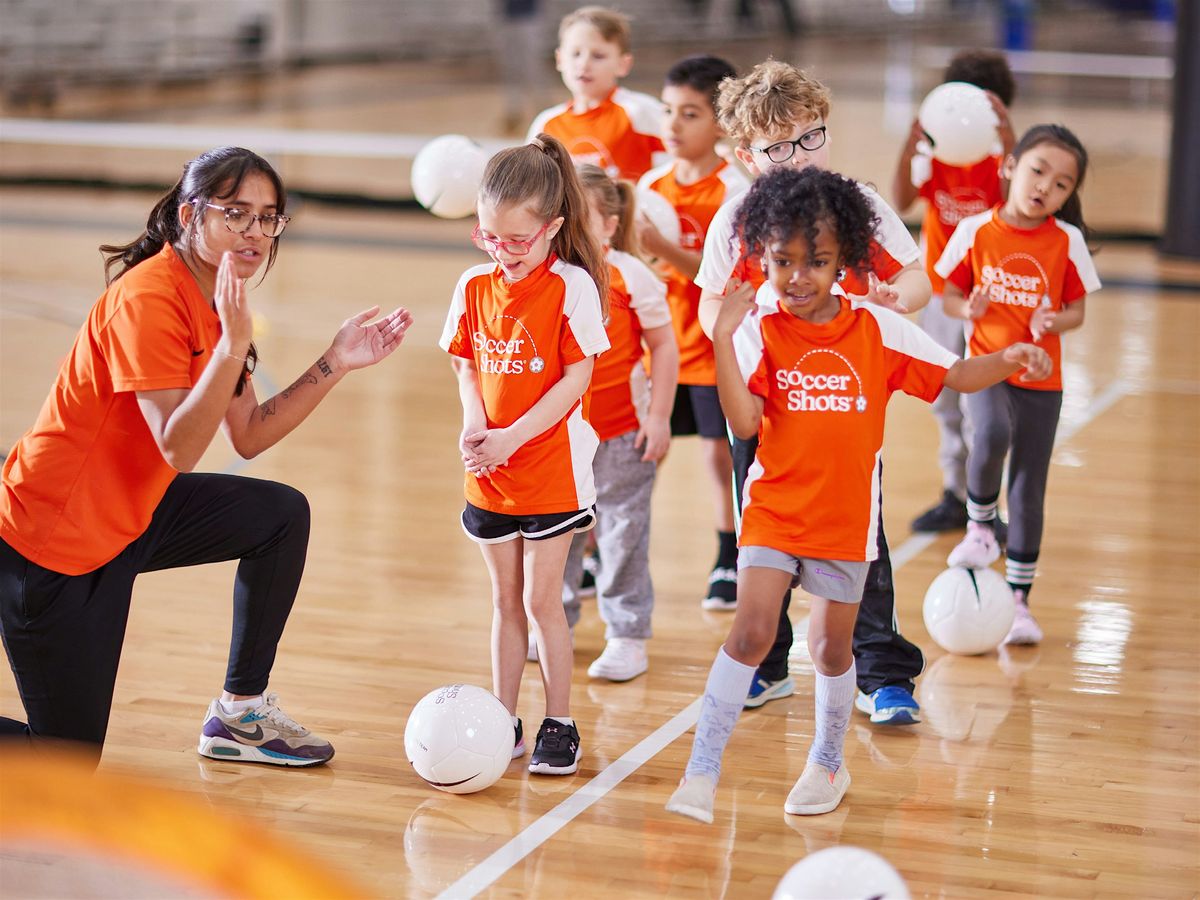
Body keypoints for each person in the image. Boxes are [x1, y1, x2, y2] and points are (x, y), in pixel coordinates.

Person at [0, 146, 412, 766]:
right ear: (191, 215)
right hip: (54, 541)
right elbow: (179, 446)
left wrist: (335, 363)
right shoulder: (150, 299)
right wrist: (233, 347)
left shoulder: (217, 299)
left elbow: (246, 433)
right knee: (62, 766)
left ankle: (241, 715)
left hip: (129, 516)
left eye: (269, 217)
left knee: (279, 515)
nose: (255, 233)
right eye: (236, 213)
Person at [665, 166, 1052, 823]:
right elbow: (746, 424)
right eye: (782, 261)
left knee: (829, 651)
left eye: (817, 261)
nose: (798, 276)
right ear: (761, 257)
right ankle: (700, 773)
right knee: (752, 631)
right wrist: (723, 340)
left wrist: (1010, 356)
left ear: (844, 259)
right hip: (774, 510)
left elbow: (955, 375)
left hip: (845, 522)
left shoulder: (878, 329)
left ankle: (827, 761)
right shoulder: (757, 329)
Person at [694, 59, 933, 725]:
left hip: (844, 398)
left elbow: (916, 279)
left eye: (811, 137)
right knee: (760, 535)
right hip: (767, 402)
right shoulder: (736, 220)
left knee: (862, 538)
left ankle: (881, 670)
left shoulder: (856, 204)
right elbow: (714, 302)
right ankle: (768, 666)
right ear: (745, 156)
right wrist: (732, 325)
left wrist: (894, 300)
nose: (799, 155)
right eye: (777, 147)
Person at [439, 134, 610, 775]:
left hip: (551, 474)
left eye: (518, 240)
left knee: (545, 604)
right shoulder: (473, 284)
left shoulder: (572, 288)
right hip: (490, 474)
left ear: (552, 228)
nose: (503, 252)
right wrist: (477, 427)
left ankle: (558, 720)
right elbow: (466, 367)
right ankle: (500, 718)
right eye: (489, 237)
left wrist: (513, 438)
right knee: (503, 603)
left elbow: (576, 379)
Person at [938, 124, 1100, 645]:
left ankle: (1018, 604)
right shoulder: (976, 232)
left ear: (1070, 194)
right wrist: (970, 308)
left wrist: (1057, 322)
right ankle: (981, 529)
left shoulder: (1067, 241)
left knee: (1029, 489)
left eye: (1061, 184)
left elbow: (1077, 309)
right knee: (988, 436)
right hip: (987, 367)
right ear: (1010, 167)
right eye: (1037, 171)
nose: (1044, 188)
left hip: (1042, 379)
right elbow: (948, 297)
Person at [555, 164, 678, 682]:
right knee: (554, 533)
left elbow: (663, 346)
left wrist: (659, 416)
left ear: (608, 224)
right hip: (555, 437)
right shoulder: (547, 275)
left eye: (580, 219)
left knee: (623, 533)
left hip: (622, 434)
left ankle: (627, 634)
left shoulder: (630, 274)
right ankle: (553, 621)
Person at [637, 55, 751, 612]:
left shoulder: (734, 190)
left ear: (722, 123)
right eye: (667, 111)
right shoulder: (649, 186)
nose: (673, 125)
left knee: (716, 455)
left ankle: (728, 555)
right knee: (642, 453)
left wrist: (661, 249)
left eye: (690, 113)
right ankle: (608, 550)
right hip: (657, 351)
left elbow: (721, 279)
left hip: (710, 352)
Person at [894, 49, 1018, 534]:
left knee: (984, 406)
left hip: (991, 300)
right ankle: (953, 491)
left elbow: (1014, 206)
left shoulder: (1002, 161)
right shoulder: (935, 159)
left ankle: (987, 507)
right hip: (942, 294)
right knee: (945, 397)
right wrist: (910, 142)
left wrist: (1008, 136)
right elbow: (902, 198)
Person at [526, 5, 667, 181]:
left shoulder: (639, 112)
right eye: (576, 53)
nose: (584, 64)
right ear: (560, 59)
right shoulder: (545, 125)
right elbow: (532, 186)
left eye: (598, 56)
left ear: (623, 64)